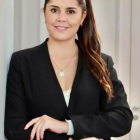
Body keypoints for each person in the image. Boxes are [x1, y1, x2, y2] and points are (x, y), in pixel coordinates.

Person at [4, 0, 133, 140]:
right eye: (54, 10)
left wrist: (68, 126)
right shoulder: (22, 61)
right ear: (44, 13)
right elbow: (14, 128)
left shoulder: (102, 63)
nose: (61, 18)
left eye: (70, 11)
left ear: (83, 16)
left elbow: (122, 118)